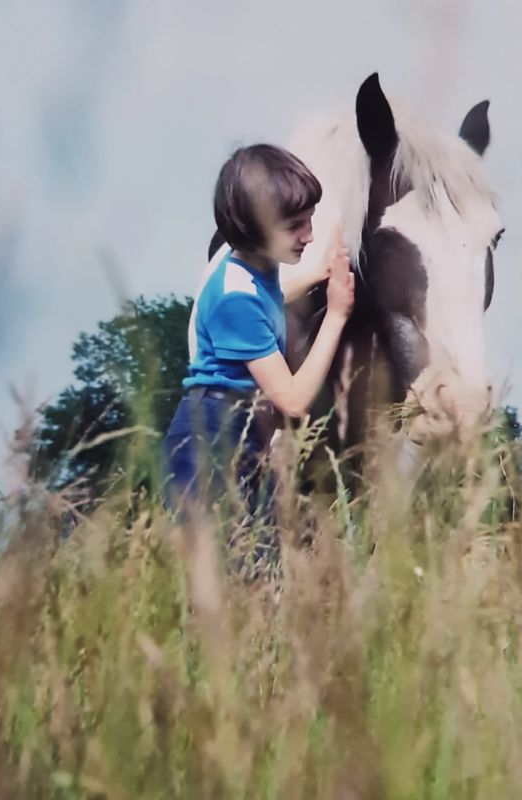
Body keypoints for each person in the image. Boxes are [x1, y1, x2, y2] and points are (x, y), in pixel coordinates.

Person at [161, 144, 354, 569]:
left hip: (243, 436)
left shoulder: (251, 267)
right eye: (294, 227)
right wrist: (336, 315)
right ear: (255, 228)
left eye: (310, 221)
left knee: (263, 572)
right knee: (229, 578)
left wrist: (316, 274)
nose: (307, 235)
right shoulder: (234, 297)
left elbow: (270, 302)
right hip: (209, 439)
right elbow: (292, 399)